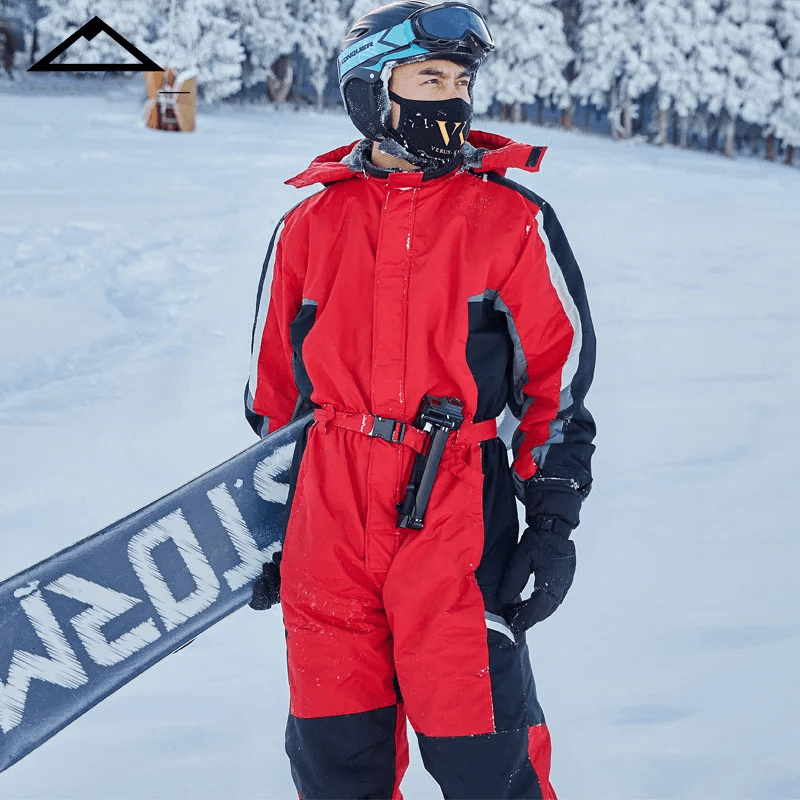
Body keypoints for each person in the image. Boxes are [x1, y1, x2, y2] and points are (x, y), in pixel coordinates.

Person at [245, 2, 596, 798]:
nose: (454, 99)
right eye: (430, 78)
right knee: (337, 767)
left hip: (455, 518)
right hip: (327, 527)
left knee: (487, 766)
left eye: (461, 83)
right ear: (371, 90)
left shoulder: (510, 220)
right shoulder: (309, 225)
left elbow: (557, 387)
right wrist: (268, 524)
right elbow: (274, 398)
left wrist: (550, 524)